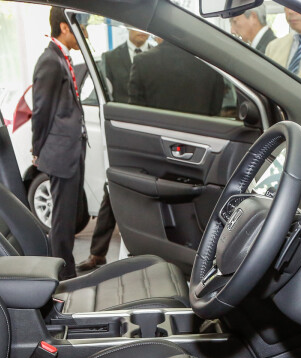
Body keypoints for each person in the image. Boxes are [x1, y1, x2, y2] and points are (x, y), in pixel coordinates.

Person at [78, 29, 150, 272]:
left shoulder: (155, 56)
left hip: (150, 135)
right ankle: (98, 253)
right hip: (120, 134)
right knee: (113, 189)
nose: (141, 33)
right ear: (128, 28)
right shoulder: (111, 58)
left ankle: (141, 254)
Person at [32, 8, 87, 280]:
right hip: (60, 153)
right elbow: (41, 110)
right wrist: (37, 149)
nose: (84, 33)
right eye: (80, 26)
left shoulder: (63, 59)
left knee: (74, 216)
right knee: (62, 222)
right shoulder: (50, 61)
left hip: (72, 150)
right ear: (65, 28)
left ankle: (68, 269)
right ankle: (63, 278)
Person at [129, 37, 224, 116]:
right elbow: (215, 109)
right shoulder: (211, 63)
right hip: (201, 135)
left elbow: (136, 112)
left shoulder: (141, 61)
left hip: (155, 135)